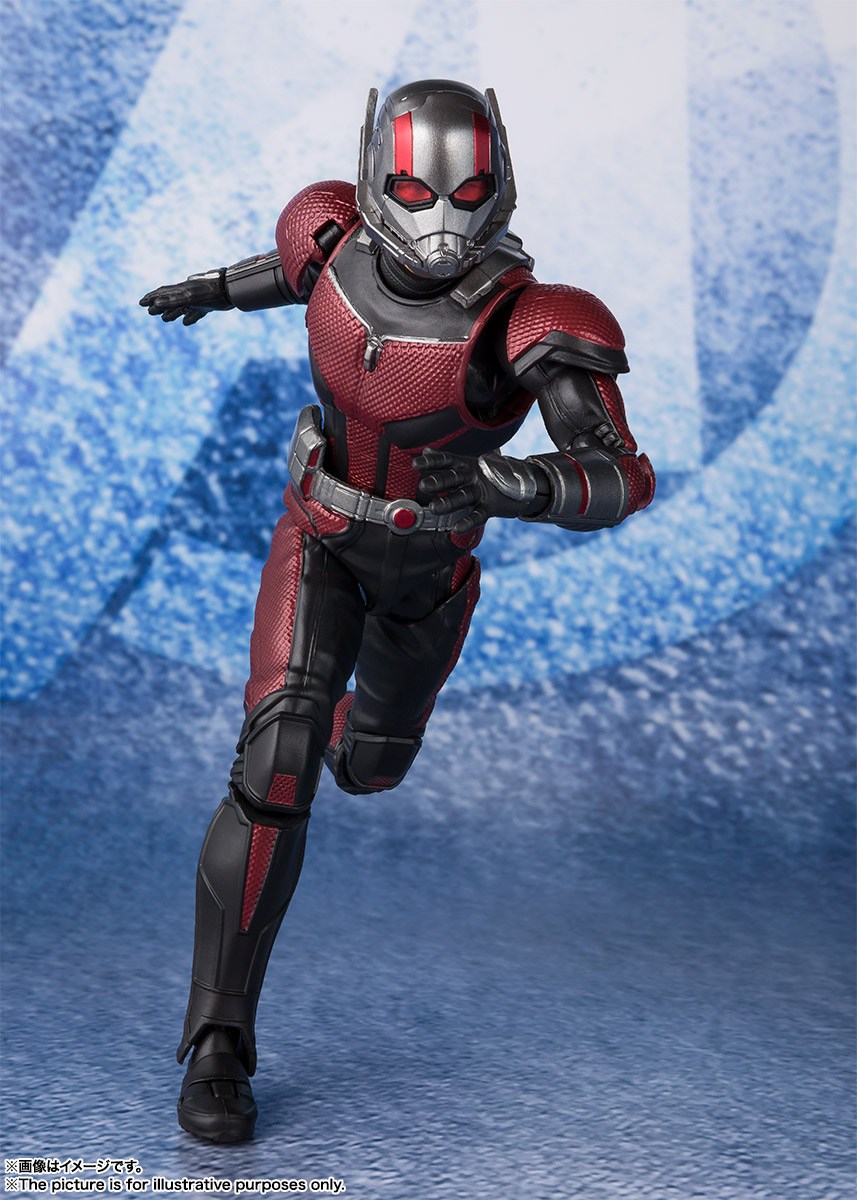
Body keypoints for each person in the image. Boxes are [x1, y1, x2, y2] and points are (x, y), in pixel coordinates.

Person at [140, 78, 655, 1143]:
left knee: (368, 765)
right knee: (277, 757)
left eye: (465, 191)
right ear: (377, 176)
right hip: (321, 537)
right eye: (417, 190)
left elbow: (620, 473)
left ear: (499, 183)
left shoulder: (528, 319)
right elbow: (288, 273)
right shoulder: (328, 233)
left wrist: (523, 484)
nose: (440, 219)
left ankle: (351, 726)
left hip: (426, 578)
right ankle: (218, 1039)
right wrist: (212, 288)